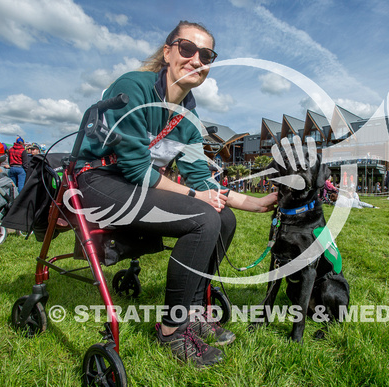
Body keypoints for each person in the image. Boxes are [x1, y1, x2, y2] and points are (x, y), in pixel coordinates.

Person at [75, 21, 277, 367]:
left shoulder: (188, 118)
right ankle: (171, 329)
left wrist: (256, 204)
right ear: (168, 52)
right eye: (187, 49)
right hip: (97, 181)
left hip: (134, 186)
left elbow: (202, 178)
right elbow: (138, 170)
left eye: (207, 54)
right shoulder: (133, 87)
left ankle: (195, 309)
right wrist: (195, 196)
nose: (196, 59)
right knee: (202, 217)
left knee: (224, 217)